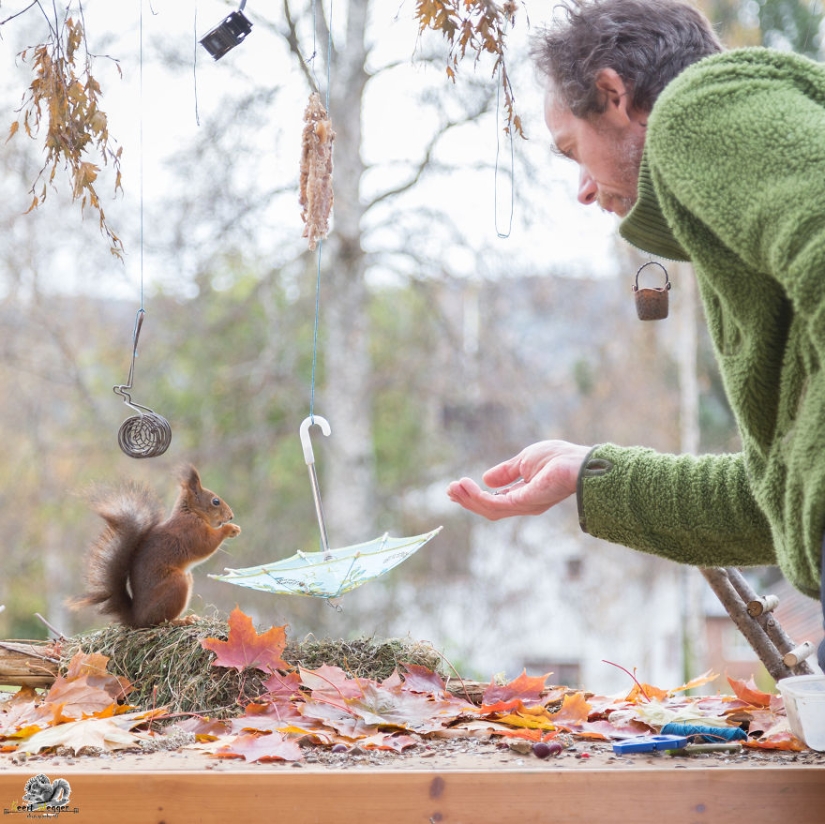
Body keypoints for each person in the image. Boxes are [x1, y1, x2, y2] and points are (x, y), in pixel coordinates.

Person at [446, 0, 825, 672]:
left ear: (614, 95)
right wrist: (588, 475)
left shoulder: (697, 112)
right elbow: (783, 504)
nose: (584, 191)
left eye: (573, 152)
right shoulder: (732, 223)